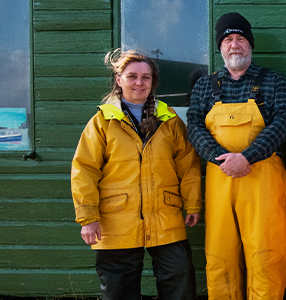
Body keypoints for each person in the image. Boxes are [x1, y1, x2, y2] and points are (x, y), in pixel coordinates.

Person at [71, 49, 201, 300]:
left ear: (153, 82)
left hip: (166, 216)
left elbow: (188, 164)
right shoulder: (102, 122)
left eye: (146, 77)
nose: (139, 83)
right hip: (116, 218)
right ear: (118, 80)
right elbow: (84, 169)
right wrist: (87, 217)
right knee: (119, 291)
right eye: (132, 76)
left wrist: (193, 202)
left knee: (180, 283)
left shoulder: (169, 119)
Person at [187, 12, 286, 299]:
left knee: (266, 253)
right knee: (220, 255)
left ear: (251, 45)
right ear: (220, 47)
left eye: (241, 38)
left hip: (263, 178)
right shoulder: (203, 87)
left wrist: (246, 157)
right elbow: (194, 127)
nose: (235, 45)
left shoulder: (273, 82)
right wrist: (223, 158)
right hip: (220, 177)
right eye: (228, 39)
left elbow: (282, 123)